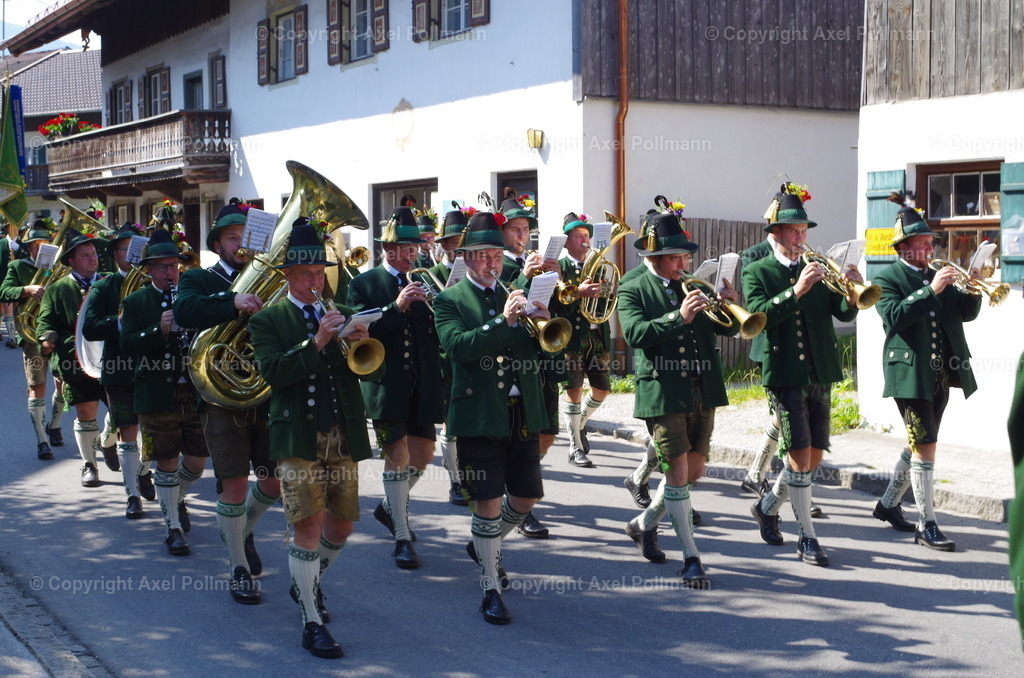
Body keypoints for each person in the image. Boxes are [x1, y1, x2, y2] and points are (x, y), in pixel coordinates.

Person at [250, 218, 375, 659]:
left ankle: (306, 583)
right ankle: (311, 620)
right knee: (307, 525)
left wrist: (357, 339)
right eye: (306, 275)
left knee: (341, 525)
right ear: (287, 276)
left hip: (341, 432)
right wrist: (317, 342)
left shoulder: (335, 309)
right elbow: (274, 373)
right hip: (298, 436)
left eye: (320, 273)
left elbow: (365, 369)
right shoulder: (268, 320)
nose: (315, 281)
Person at [433, 210, 550, 624]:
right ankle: (490, 587)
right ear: (466, 258)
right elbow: (458, 348)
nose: (491, 263)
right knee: (487, 502)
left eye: (496, 255)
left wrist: (543, 322)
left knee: (526, 497)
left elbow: (543, 349)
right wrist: (506, 320)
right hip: (479, 415)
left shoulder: (515, 291)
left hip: (521, 413)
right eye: (481, 256)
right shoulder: (449, 301)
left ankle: (486, 545)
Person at [617, 211, 737, 586]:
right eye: (675, 258)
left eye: (685, 257)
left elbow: (728, 329)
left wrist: (728, 305)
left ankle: (642, 524)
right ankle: (692, 557)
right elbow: (635, 333)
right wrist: (678, 318)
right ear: (653, 258)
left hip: (702, 388)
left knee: (694, 471)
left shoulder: (690, 283)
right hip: (663, 392)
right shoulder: (632, 286)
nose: (683, 264)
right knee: (678, 473)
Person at [744, 184, 861, 567]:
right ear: (775, 232)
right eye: (793, 231)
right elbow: (759, 315)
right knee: (796, 454)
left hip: (820, 369)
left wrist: (851, 293)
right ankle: (807, 537)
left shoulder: (820, 267)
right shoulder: (758, 270)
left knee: (811, 456)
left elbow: (842, 314)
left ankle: (766, 506)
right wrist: (795, 290)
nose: (801, 237)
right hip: (784, 373)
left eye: (804, 231)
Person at [173, 198, 280, 603]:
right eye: (232, 238)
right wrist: (231, 301)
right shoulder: (201, 279)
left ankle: (243, 529)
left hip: (265, 393)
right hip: (220, 398)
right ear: (218, 243)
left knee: (272, 482)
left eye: (245, 237)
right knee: (233, 484)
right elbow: (184, 311)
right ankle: (237, 566)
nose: (239, 244)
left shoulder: (275, 279)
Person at [871, 201, 981, 551]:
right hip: (909, 373)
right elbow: (894, 317)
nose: (932, 247)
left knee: (921, 442)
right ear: (904, 246)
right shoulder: (886, 278)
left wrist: (974, 287)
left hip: (941, 373)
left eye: (931, 242)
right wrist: (930, 290)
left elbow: (965, 313)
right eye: (924, 241)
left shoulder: (936, 272)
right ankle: (927, 523)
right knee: (927, 446)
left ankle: (888, 504)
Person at [347, 206, 444, 569]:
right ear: (386, 250)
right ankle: (402, 536)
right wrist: (395, 307)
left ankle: (390, 508)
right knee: (398, 457)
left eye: (413, 248)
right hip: (386, 386)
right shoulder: (364, 284)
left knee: (423, 456)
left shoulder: (427, 280)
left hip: (423, 384)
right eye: (402, 249)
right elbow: (359, 332)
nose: (409, 255)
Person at [120, 229, 208, 556]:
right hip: (156, 393)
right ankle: (171, 525)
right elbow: (128, 345)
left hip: (195, 391)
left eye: (174, 266)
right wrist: (159, 329)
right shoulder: (135, 302)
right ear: (149, 270)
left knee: (197, 462)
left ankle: (176, 497)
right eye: (163, 267)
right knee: (167, 460)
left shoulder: (190, 295)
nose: (171, 272)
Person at [496, 190, 559, 538]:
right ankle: (520, 504)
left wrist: (557, 280)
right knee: (523, 438)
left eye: (525, 229)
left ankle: (519, 493)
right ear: (502, 233)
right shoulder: (500, 265)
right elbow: (504, 304)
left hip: (543, 359)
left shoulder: (531, 262)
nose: (522, 236)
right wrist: (525, 276)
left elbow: (553, 309)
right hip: (516, 362)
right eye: (515, 229)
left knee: (546, 436)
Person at [82, 222, 155, 517]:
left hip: (153, 366)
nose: (134, 254)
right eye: (127, 249)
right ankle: (131, 494)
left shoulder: (155, 281)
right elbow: (90, 328)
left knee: (151, 429)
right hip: (119, 367)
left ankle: (143, 472)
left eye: (138, 248)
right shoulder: (104, 286)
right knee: (128, 429)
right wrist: (122, 321)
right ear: (115, 254)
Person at [37, 227, 113, 485]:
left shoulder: (109, 282)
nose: (93, 258)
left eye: (93, 254)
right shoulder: (57, 288)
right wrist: (47, 339)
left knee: (121, 411)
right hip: (76, 359)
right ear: (71, 260)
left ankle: (107, 440)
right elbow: (46, 320)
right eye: (85, 255)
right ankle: (89, 465)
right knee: (85, 410)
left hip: (112, 358)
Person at [551, 212, 611, 469]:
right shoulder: (559, 268)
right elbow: (557, 305)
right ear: (567, 242)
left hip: (596, 336)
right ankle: (575, 446)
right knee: (574, 391)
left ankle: (580, 424)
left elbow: (609, 298)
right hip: (572, 338)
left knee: (602, 389)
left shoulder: (598, 266)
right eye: (578, 236)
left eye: (586, 235)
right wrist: (579, 292)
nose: (584, 240)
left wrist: (607, 289)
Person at [0, 223, 61, 459]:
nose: (39, 251)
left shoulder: (60, 267)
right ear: (30, 249)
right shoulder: (17, 266)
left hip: (59, 333)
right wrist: (26, 289)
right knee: (37, 387)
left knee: (63, 386)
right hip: (31, 335)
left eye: (44, 246)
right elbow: (3, 292)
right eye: (35, 247)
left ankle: (54, 424)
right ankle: (42, 439)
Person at [429, 207, 470, 505]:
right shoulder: (432, 273)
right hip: (443, 357)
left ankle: (469, 474)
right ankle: (455, 481)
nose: (458, 247)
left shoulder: (473, 272)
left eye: (463, 241)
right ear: (443, 245)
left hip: (470, 353)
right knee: (450, 422)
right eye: (454, 242)